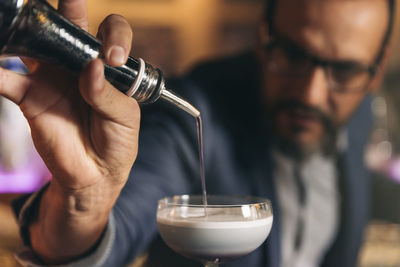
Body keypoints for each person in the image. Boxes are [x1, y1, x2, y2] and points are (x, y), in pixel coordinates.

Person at [2, 0, 398, 266]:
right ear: (262, 39)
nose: (310, 92)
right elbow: (121, 225)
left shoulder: (359, 108)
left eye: (344, 70)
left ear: (375, 73)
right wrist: (84, 202)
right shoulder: (195, 110)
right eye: (292, 55)